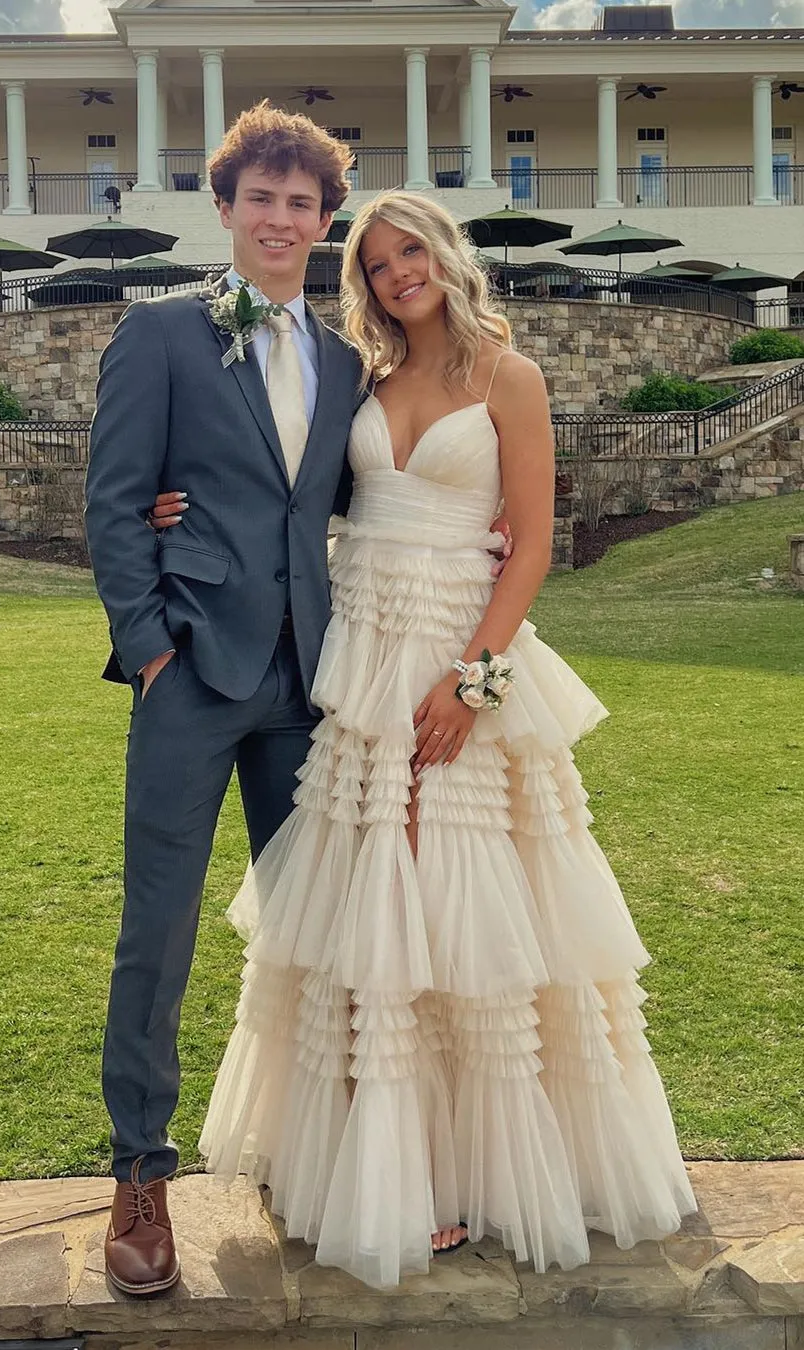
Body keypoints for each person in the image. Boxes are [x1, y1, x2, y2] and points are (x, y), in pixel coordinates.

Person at [151, 189, 696, 1290]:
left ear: (447, 255)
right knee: (372, 899)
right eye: (379, 260)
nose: (399, 272)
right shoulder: (367, 376)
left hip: (459, 647)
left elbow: (536, 542)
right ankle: (379, 1166)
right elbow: (294, 484)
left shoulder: (509, 376)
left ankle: (472, 1175)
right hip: (360, 644)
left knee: (469, 903)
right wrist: (184, 506)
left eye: (413, 252)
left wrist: (475, 680)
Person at [83, 102, 365, 1297]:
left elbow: (356, 499)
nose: (282, 219)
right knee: (160, 931)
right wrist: (150, 648)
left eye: (303, 203)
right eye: (263, 197)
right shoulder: (160, 338)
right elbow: (113, 502)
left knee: (315, 934)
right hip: (192, 676)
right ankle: (139, 1169)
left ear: (324, 221)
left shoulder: (351, 361)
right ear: (226, 207)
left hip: (310, 686)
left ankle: (310, 1154)